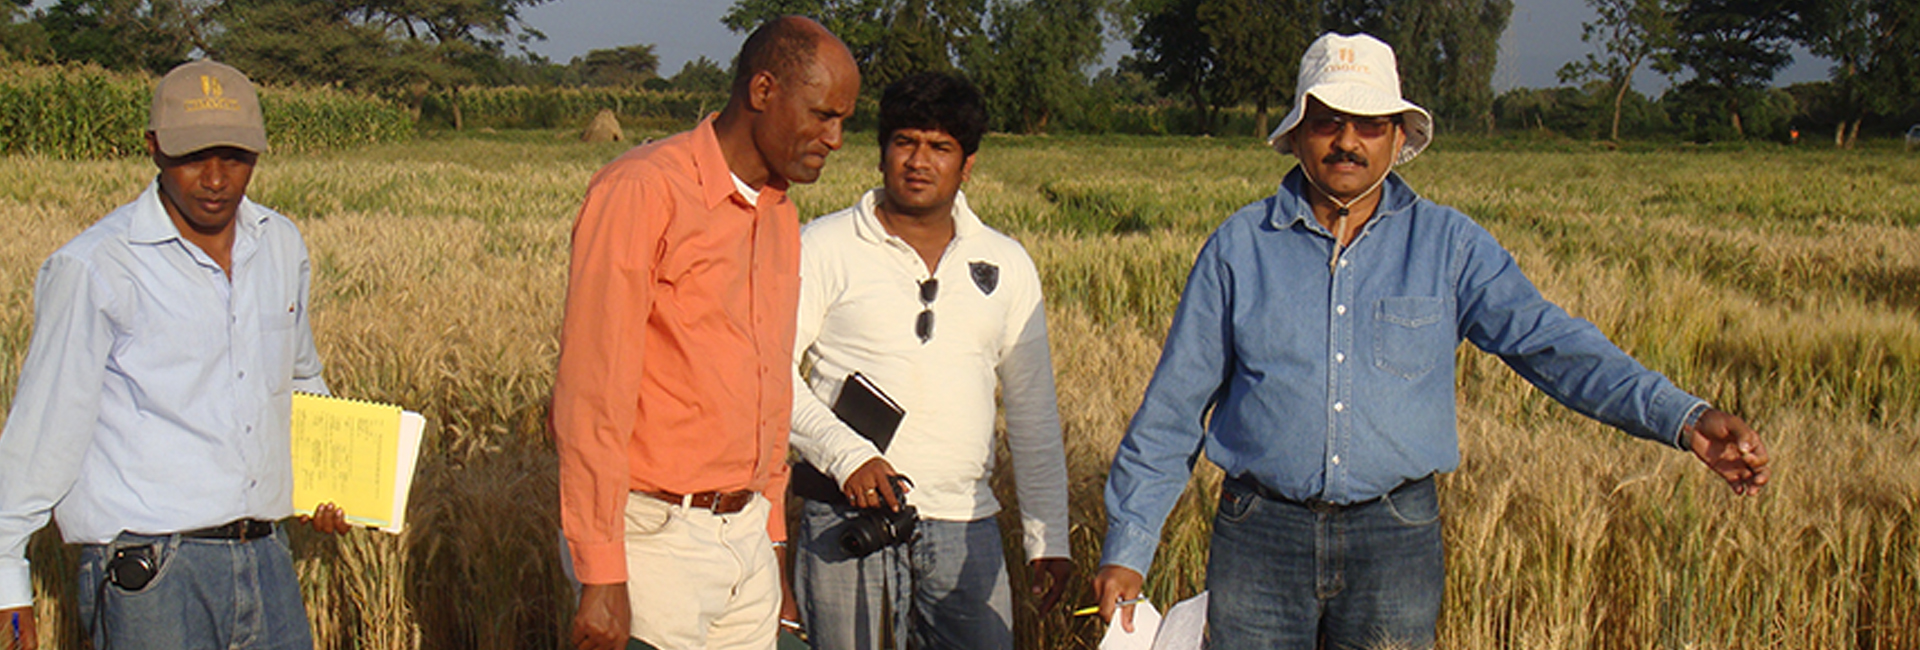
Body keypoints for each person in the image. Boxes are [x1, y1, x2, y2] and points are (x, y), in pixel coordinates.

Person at [1091, 32, 1771, 649]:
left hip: (1395, 536)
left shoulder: (1449, 247)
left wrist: (1684, 419)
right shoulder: (1240, 247)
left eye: (1369, 124)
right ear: (1298, 134)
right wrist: (1129, 547)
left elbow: (1553, 346)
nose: (1347, 141)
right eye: (1328, 121)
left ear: (1397, 138)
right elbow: (1175, 406)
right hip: (1260, 532)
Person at [0, 59, 350, 650]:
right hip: (152, 575)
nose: (216, 178)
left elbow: (299, 376)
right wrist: (9, 590)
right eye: (193, 157)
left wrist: (332, 478)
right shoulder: (96, 267)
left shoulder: (281, 244)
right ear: (155, 149)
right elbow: (42, 433)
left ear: (260, 153)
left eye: (235, 157)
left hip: (266, 559)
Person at [549, 15, 860, 650]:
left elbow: (770, 389)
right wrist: (603, 574)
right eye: (823, 115)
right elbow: (592, 396)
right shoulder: (642, 190)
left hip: (744, 535)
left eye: (843, 121)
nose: (835, 138)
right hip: (653, 536)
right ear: (763, 91)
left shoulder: (778, 213)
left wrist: (771, 542)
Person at [785, 71, 1072, 650]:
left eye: (940, 147)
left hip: (967, 526)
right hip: (843, 519)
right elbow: (768, 375)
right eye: (905, 142)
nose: (919, 161)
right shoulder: (821, 246)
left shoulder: (1007, 263)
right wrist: (849, 458)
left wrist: (1049, 540)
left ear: (967, 165)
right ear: (881, 151)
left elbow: (1033, 412)